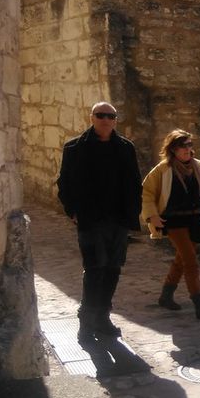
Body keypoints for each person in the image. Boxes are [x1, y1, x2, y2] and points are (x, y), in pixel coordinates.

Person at [57, 102, 142, 342]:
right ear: (92, 118)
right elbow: (64, 183)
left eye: (110, 116)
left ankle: (103, 318)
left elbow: (135, 183)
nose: (106, 120)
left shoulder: (125, 148)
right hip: (90, 219)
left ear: (115, 120)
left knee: (113, 270)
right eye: (101, 115)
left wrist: (132, 212)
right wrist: (72, 210)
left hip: (118, 220)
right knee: (94, 270)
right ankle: (86, 322)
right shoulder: (74, 148)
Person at [141, 130, 200, 319]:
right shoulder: (163, 170)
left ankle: (166, 295)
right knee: (191, 261)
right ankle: (199, 303)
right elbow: (147, 193)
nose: (187, 149)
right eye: (183, 146)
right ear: (173, 149)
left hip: (196, 221)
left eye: (189, 145)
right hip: (174, 221)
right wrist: (152, 216)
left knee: (181, 260)